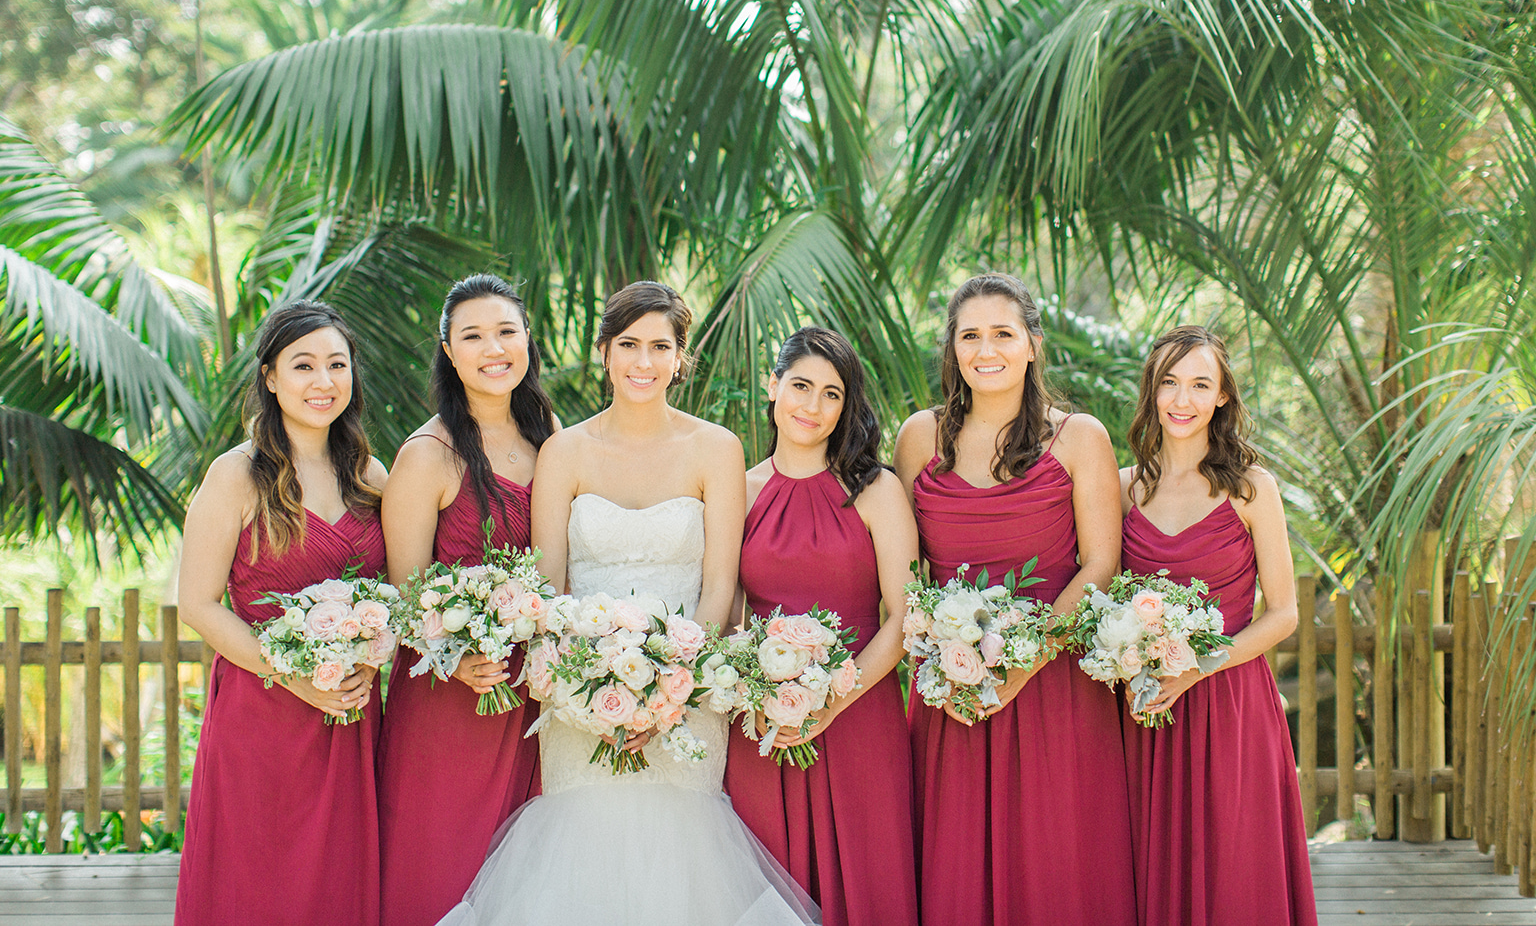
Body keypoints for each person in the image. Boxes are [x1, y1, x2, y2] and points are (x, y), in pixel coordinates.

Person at [434, 281, 818, 926]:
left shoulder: (717, 449)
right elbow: (548, 587)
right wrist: (584, 691)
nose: (644, 362)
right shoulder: (564, 451)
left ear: (679, 358)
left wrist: (673, 693)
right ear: (606, 353)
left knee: (684, 866)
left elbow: (720, 588)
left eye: (660, 347)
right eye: (630, 345)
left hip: (692, 698)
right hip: (577, 697)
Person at [892, 273, 1137, 926]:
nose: (986, 348)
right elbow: (910, 570)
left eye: (1003, 332)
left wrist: (1024, 660)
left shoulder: (1080, 437)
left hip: (1055, 689)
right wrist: (951, 655)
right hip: (954, 692)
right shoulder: (919, 437)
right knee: (957, 872)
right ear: (952, 349)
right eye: (970, 335)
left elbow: (1100, 562)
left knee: (1061, 869)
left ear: (1032, 343)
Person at [175, 301, 388, 926]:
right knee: (256, 883)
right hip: (261, 713)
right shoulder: (236, 476)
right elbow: (198, 603)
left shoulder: (370, 475)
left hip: (348, 716)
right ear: (270, 376)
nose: (323, 382)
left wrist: (368, 663)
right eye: (303, 366)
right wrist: (292, 674)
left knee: (336, 883)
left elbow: (395, 593)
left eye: (337, 365)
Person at [375, 275, 558, 926]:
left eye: (506, 331)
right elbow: (403, 596)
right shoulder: (427, 456)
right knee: (443, 868)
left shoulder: (550, 436)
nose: (493, 348)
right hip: (450, 701)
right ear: (449, 350)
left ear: (528, 341)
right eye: (473, 335)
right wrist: (453, 659)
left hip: (533, 700)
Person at [1118, 325, 1316, 925]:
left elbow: (1283, 612)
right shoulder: (1125, 487)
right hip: (1145, 704)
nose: (1183, 400)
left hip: (1229, 702)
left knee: (1233, 870)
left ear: (1223, 396)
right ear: (1152, 391)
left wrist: (1199, 664)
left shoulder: (1254, 488)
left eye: (1200, 384)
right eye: (1170, 383)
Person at [724, 327, 919, 926]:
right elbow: (729, 611)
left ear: (847, 405)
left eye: (831, 394)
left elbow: (906, 613)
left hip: (861, 716)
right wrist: (758, 695)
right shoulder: (739, 490)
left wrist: (832, 701)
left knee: (867, 884)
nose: (812, 406)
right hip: (760, 726)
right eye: (801, 386)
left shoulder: (876, 490)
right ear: (772, 386)